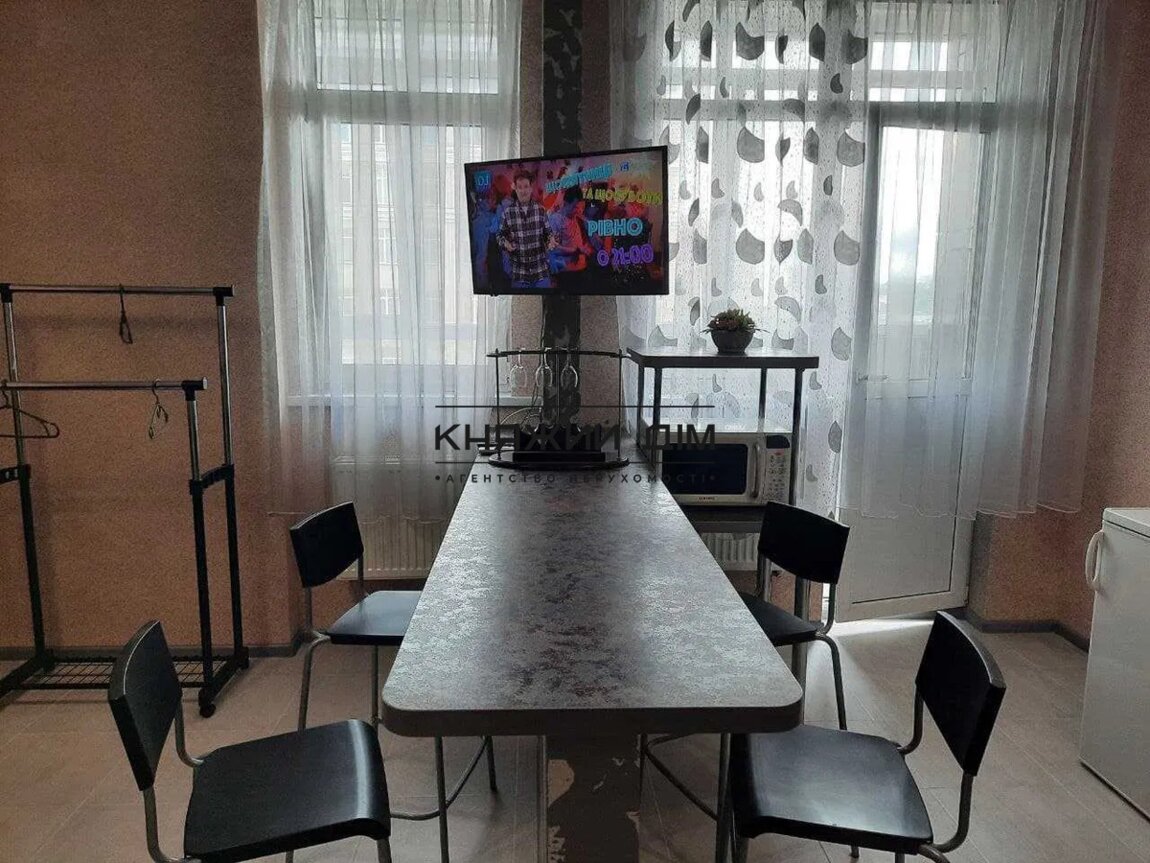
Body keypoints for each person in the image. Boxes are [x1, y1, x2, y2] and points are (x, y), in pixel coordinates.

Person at [496, 170, 557, 289]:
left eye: (526, 186)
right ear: (515, 189)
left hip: (541, 273)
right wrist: (505, 243)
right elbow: (499, 236)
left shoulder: (541, 210)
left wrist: (551, 240)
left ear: (530, 188)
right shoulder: (507, 213)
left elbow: (548, 233)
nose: (523, 191)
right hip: (519, 275)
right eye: (519, 187)